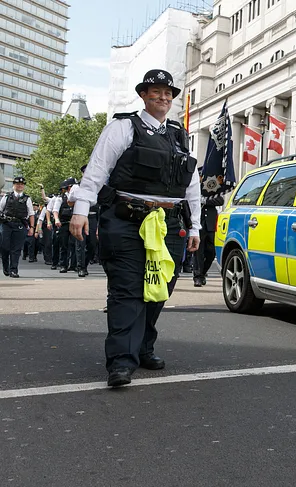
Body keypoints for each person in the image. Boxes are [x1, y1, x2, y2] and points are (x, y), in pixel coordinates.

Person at [69, 69, 200, 388]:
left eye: (168, 93)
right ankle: (121, 361)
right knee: (127, 290)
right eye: (156, 91)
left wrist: (195, 226)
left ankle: (143, 348)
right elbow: (97, 169)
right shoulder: (123, 126)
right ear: (144, 94)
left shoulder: (179, 135)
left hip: (168, 222)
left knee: (159, 288)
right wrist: (81, 210)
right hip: (126, 220)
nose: (163, 97)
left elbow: (191, 183)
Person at [0, 176, 34, 278]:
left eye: (22, 184)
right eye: (17, 184)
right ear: (14, 185)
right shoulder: (7, 196)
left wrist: (32, 227)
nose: (20, 186)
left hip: (19, 225)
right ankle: (6, 267)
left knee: (16, 249)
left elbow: (31, 213)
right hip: (6, 224)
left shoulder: (27, 199)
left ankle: (14, 270)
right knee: (4, 247)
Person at [194, 175, 224, 288]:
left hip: (211, 224)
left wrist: (205, 200)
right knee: (198, 252)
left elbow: (220, 200)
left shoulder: (211, 189)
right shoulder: (195, 188)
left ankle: (203, 272)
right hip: (199, 223)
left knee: (211, 252)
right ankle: (198, 276)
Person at [74, 164, 98, 277]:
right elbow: (70, 201)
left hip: (93, 218)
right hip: (81, 217)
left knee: (92, 244)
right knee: (80, 244)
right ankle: (81, 267)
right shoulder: (77, 187)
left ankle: (85, 264)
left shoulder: (98, 187)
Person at [52, 178, 77, 273]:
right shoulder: (60, 198)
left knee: (75, 244)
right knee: (64, 244)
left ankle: (74, 265)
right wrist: (57, 219)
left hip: (74, 223)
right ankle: (63, 265)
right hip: (64, 223)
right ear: (69, 187)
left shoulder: (77, 197)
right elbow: (55, 210)